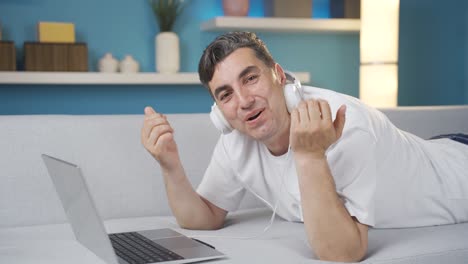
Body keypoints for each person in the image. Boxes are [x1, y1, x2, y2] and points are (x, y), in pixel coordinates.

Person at [141, 32, 468, 262]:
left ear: (278, 76)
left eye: (250, 78)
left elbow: (343, 252)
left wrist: (310, 155)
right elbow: (206, 217)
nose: (243, 101)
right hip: (438, 148)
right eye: (225, 94)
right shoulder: (236, 139)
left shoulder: (345, 124)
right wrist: (170, 165)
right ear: (219, 112)